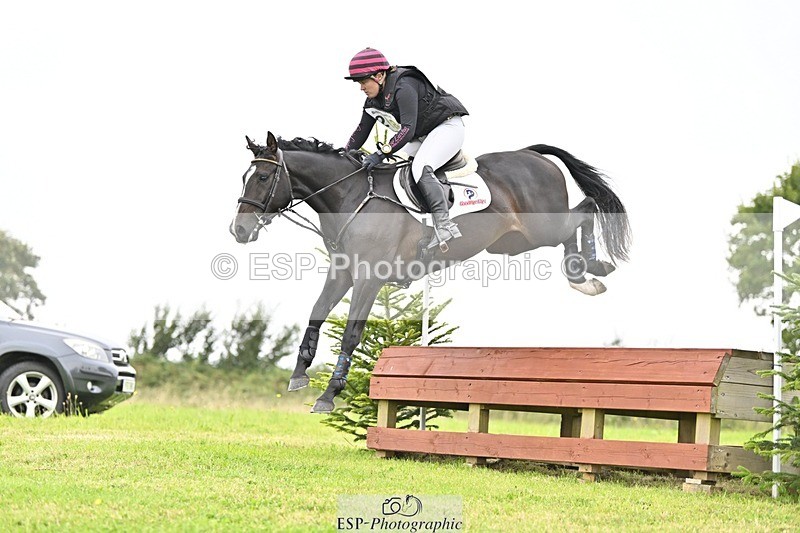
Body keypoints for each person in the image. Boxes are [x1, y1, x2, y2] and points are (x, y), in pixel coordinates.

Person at [343, 47, 469, 249]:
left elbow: (407, 130)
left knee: (420, 167)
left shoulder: (404, 86)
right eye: (359, 82)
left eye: (364, 81)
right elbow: (361, 130)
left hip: (447, 127)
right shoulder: (372, 101)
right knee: (395, 167)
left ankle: (445, 225)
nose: (361, 87)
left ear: (380, 75)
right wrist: (343, 155)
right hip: (424, 135)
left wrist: (379, 154)